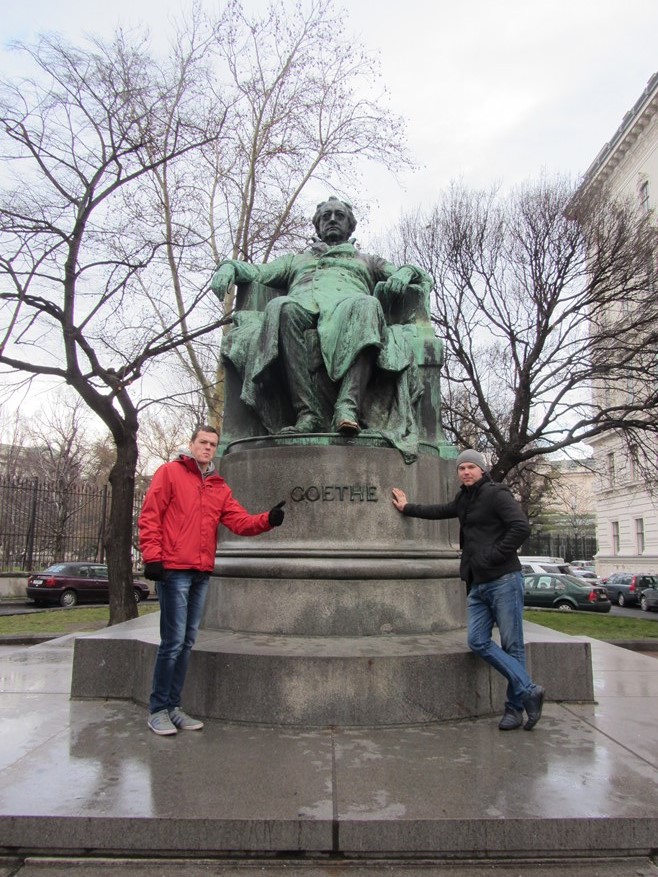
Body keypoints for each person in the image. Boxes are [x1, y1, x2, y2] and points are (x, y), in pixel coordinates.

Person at [211, 197, 432, 455]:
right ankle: (308, 413)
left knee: (368, 305)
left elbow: (419, 276)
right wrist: (228, 266)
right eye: (326, 216)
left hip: (349, 309)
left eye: (339, 215)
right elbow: (258, 273)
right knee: (281, 307)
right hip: (303, 307)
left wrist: (406, 272)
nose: (332, 219)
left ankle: (348, 407)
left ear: (350, 225)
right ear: (318, 226)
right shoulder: (295, 260)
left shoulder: (367, 261)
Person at [138, 425, 286, 736]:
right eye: (203, 442)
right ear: (191, 444)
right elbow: (150, 516)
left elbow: (239, 522)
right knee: (173, 642)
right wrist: (152, 557)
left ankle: (174, 707)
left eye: (213, 444)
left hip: (201, 572)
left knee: (187, 641)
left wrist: (268, 520)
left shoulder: (218, 486)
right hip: (173, 570)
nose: (207, 448)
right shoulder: (169, 473)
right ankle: (158, 709)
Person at [391, 449, 545, 731]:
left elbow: (520, 527)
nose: (465, 472)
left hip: (504, 580)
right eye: (461, 468)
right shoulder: (464, 499)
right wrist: (407, 507)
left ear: (482, 470)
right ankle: (529, 689)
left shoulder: (497, 494)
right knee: (477, 641)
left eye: (471, 467)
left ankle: (514, 709)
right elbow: (441, 511)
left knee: (512, 645)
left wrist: (493, 556)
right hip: (477, 584)